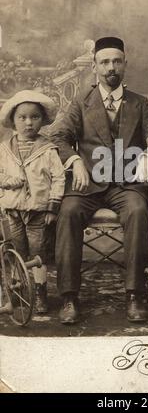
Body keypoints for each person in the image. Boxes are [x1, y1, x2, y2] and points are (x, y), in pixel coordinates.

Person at [50, 37, 148, 324]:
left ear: (125, 65)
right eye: (105, 62)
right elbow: (58, 137)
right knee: (68, 212)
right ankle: (69, 297)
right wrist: (75, 161)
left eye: (117, 61)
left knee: (137, 211)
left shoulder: (140, 103)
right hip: (87, 185)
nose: (111, 67)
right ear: (95, 67)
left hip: (125, 184)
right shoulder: (81, 103)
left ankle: (134, 293)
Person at [0, 90, 65, 314]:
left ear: (42, 120)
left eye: (34, 117)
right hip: (12, 210)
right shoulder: (4, 148)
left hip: (37, 211)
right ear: (13, 120)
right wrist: (9, 181)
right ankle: (16, 295)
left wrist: (52, 207)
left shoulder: (48, 150)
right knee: (15, 251)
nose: (28, 123)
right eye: (22, 117)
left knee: (38, 255)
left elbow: (58, 177)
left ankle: (40, 295)